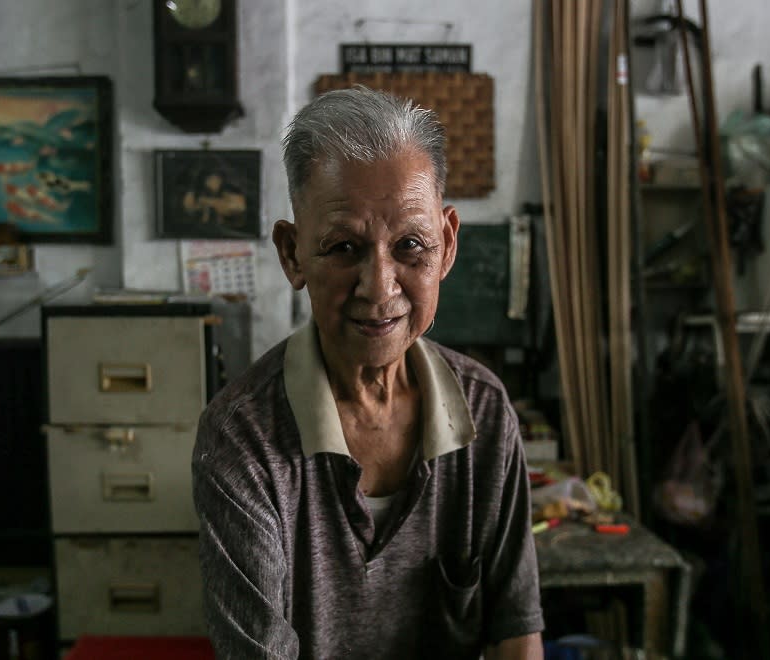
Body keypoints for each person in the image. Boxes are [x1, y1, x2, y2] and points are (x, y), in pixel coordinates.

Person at [192, 86, 545, 659]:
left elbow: (515, 633)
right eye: (342, 248)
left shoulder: (483, 410)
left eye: (411, 244)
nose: (379, 287)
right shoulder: (243, 440)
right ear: (292, 254)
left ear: (447, 245)